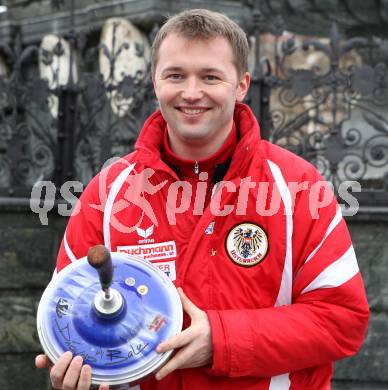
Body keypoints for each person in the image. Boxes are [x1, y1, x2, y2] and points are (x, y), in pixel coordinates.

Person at [36, 8, 369, 390]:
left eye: (210, 77)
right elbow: (66, 312)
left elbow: (342, 320)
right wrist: (74, 372)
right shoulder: (107, 193)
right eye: (176, 75)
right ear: (155, 80)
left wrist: (222, 340)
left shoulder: (300, 187)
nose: (191, 93)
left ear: (242, 84)